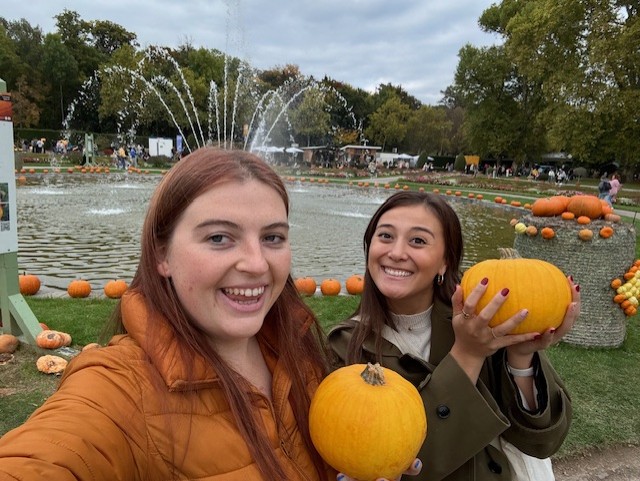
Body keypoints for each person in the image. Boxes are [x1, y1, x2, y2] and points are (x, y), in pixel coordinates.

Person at [0, 148, 425, 481]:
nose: (258, 264)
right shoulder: (117, 388)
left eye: (273, 237)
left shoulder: (296, 349)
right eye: (220, 237)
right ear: (162, 253)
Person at [328, 191, 581, 481]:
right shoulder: (347, 345)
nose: (396, 252)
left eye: (418, 241)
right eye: (385, 236)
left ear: (445, 262)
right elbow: (404, 464)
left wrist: (522, 356)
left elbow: (542, 440)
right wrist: (468, 355)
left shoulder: (485, 317)